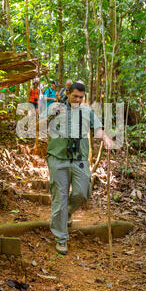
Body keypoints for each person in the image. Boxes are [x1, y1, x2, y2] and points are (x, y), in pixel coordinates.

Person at [46, 82, 113, 255]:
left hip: (79, 159)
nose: (78, 100)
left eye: (81, 97)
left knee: (83, 193)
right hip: (58, 158)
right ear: (67, 93)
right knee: (59, 198)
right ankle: (61, 238)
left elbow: (97, 129)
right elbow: (40, 122)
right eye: (75, 96)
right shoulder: (56, 108)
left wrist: (105, 138)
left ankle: (66, 213)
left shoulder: (87, 111)